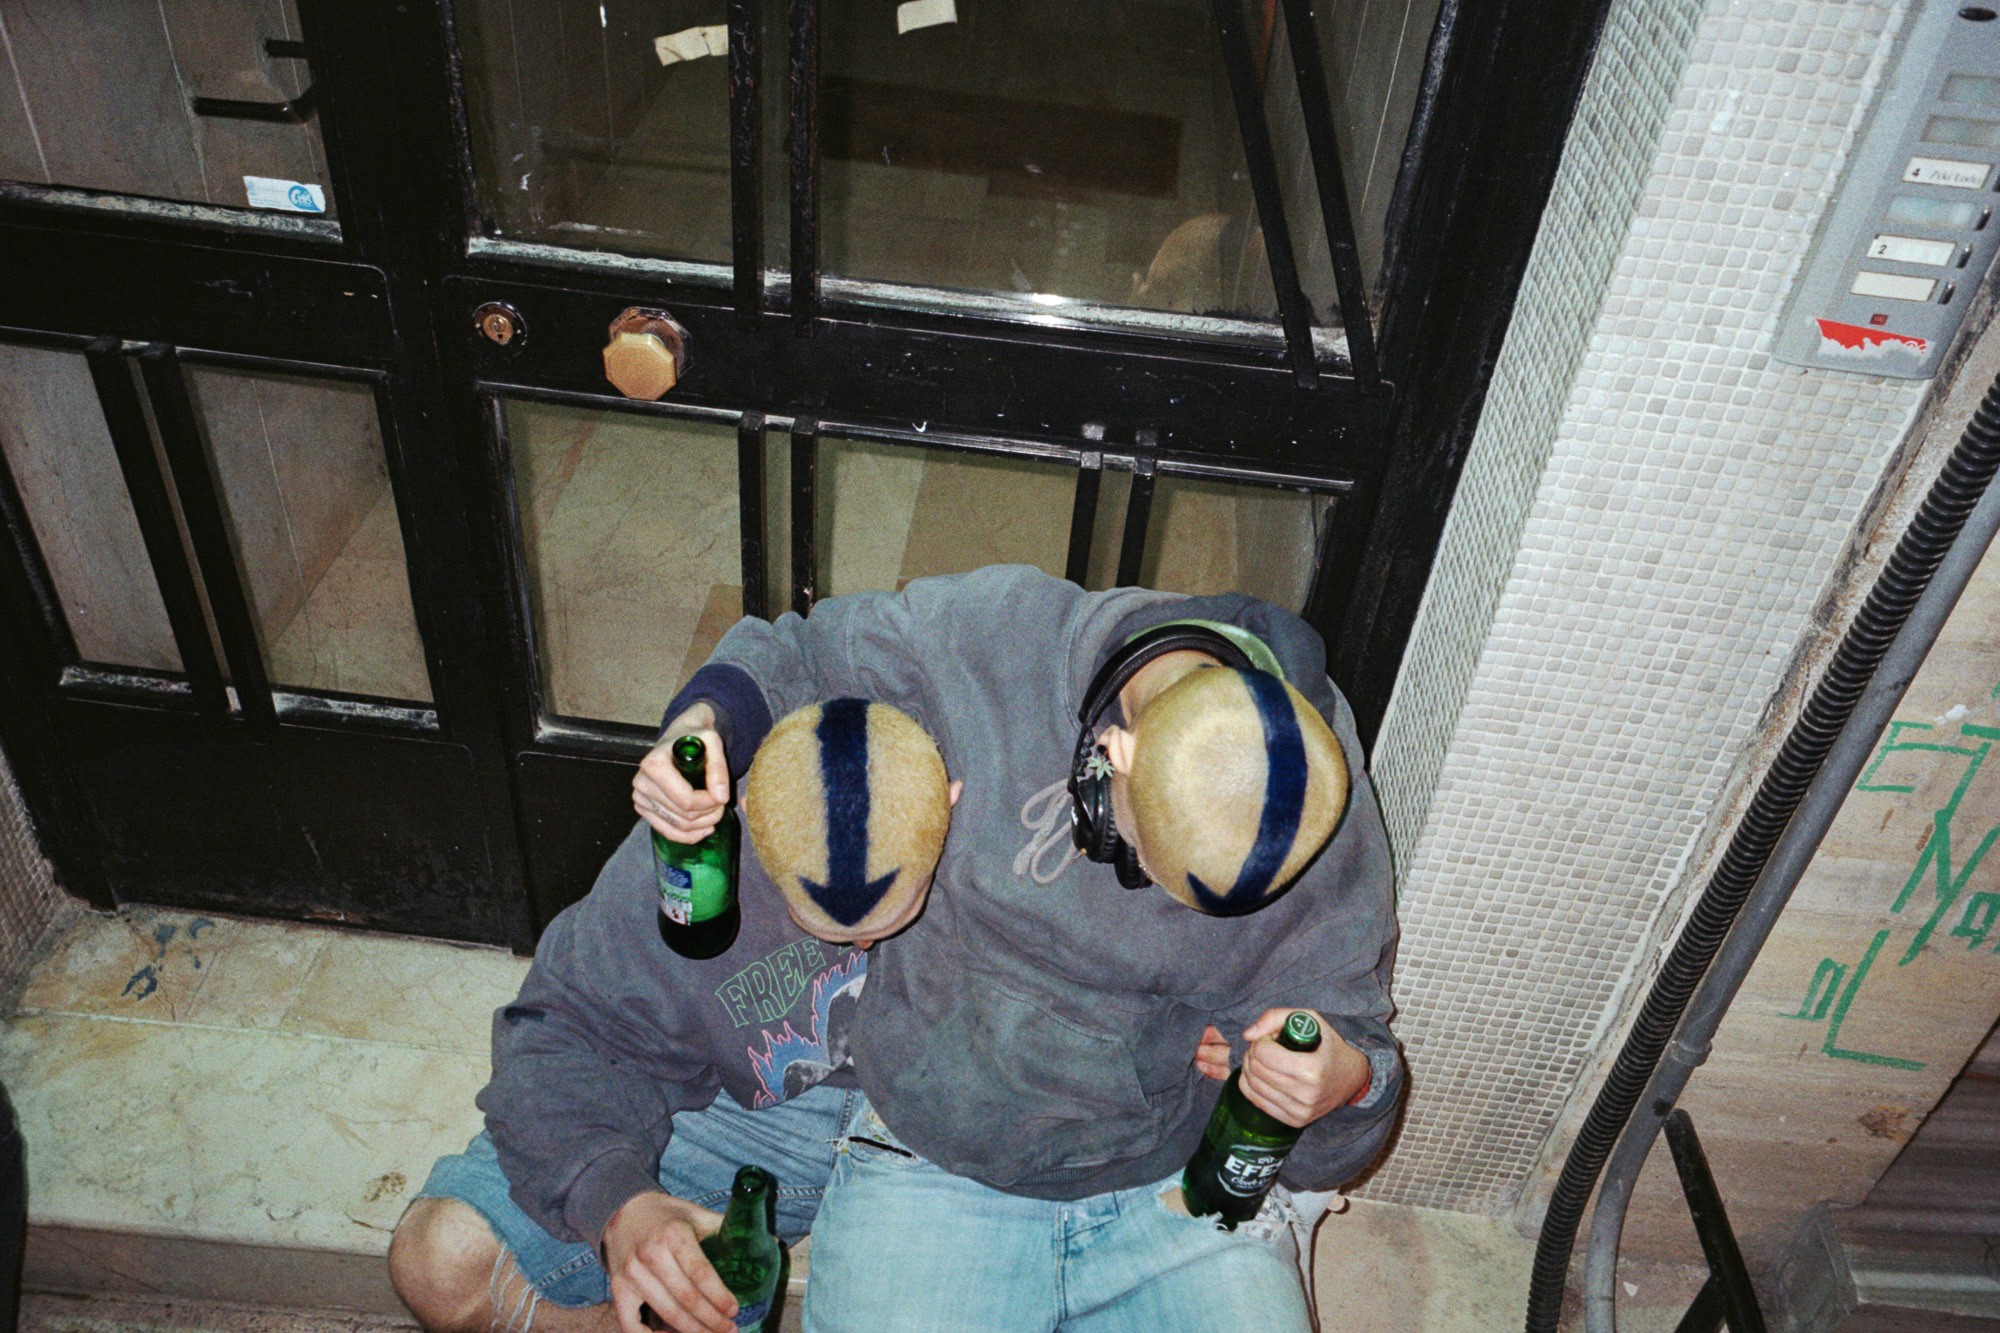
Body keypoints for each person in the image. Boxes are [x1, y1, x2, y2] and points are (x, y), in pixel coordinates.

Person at [635, 564, 1403, 1332]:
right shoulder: (992, 639)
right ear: (1111, 758)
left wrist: (1346, 1080)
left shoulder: (1313, 777)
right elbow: (801, 654)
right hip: (934, 1158)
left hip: (1171, 1187)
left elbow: (1343, 1075)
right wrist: (703, 723)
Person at [387, 700, 958, 1333]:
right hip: (755, 1115)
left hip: (949, 1118)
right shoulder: (691, 853)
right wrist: (622, 1209)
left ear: (951, 807)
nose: (862, 951)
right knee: (436, 1260)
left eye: (889, 919)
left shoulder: (980, 805)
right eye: (823, 926)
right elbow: (558, 1032)